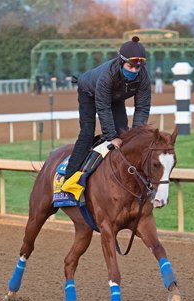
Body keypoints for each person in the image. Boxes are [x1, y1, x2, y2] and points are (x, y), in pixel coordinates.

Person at [62, 36, 151, 191]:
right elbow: (103, 108)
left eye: (138, 68)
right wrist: (111, 137)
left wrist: (137, 135)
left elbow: (142, 108)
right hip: (89, 92)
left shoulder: (143, 77)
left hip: (115, 96)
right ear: (122, 62)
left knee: (125, 135)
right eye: (131, 67)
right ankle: (68, 178)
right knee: (88, 132)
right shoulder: (107, 76)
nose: (135, 71)